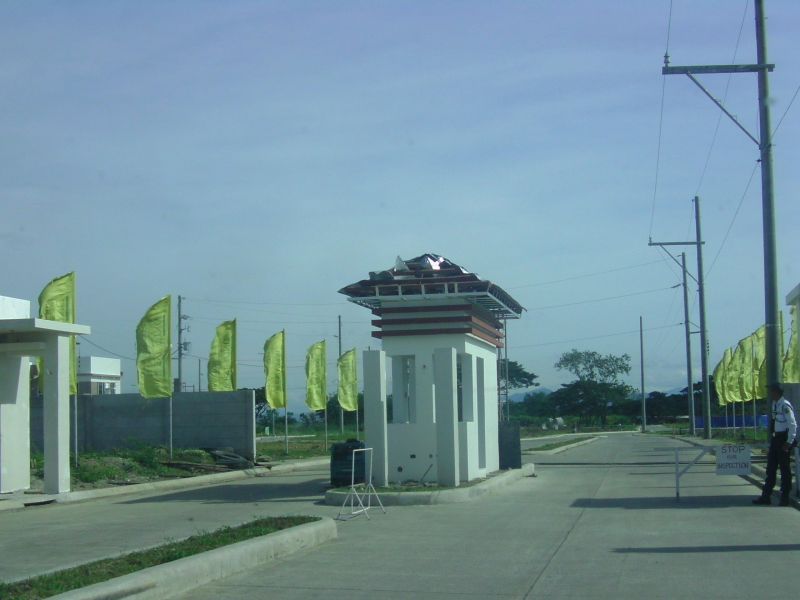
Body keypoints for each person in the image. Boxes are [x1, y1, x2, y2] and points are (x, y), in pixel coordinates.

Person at [753, 383, 797, 506]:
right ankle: (766, 496)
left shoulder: (785, 406)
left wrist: (788, 442)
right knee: (771, 468)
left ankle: (785, 498)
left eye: (771, 391)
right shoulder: (775, 404)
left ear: (777, 392)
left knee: (785, 470)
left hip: (783, 439)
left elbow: (793, 425)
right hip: (776, 438)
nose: (770, 393)